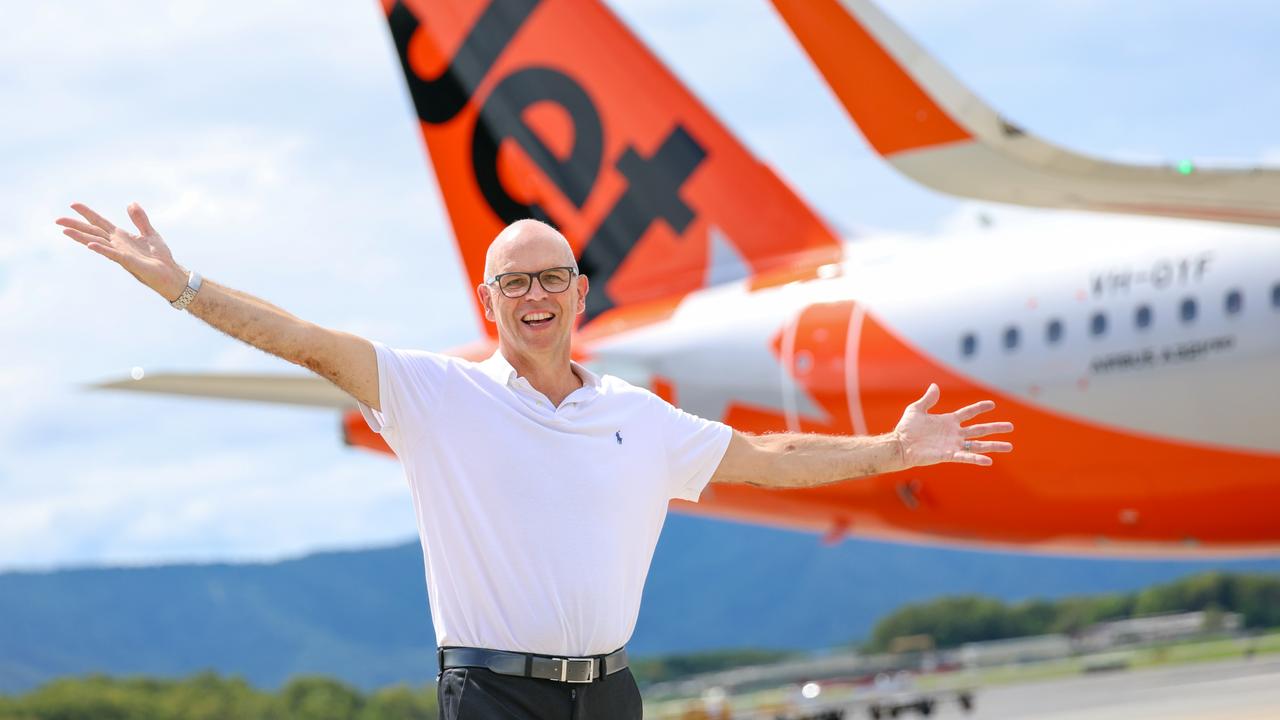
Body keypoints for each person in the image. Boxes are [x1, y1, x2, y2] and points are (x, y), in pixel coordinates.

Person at [56, 203, 1014, 719]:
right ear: (490, 303)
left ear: (580, 291)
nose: (535, 294)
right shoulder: (435, 395)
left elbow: (765, 453)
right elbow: (307, 341)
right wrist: (181, 286)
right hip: (492, 695)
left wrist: (889, 449)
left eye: (551, 275)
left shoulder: (638, 416)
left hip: (610, 695)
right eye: (514, 282)